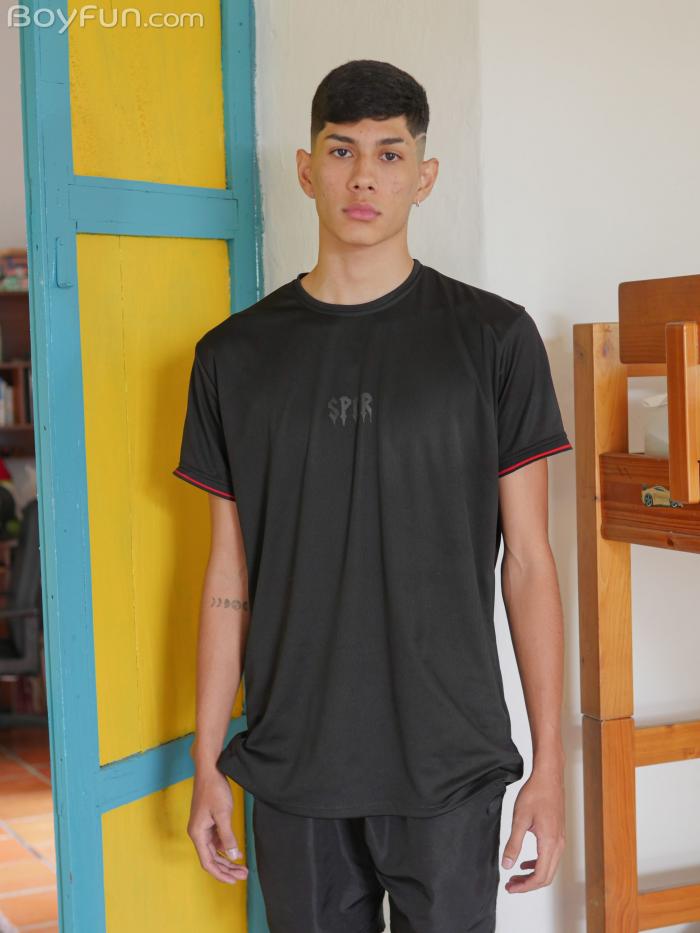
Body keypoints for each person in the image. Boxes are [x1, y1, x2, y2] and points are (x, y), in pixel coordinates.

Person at [177, 58, 572, 933]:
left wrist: (550, 765)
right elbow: (228, 576)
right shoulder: (232, 357)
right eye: (342, 150)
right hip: (294, 761)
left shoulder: (495, 339)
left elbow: (530, 563)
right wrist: (207, 760)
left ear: (423, 176)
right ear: (305, 169)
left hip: (449, 759)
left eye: (390, 154)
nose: (364, 176)